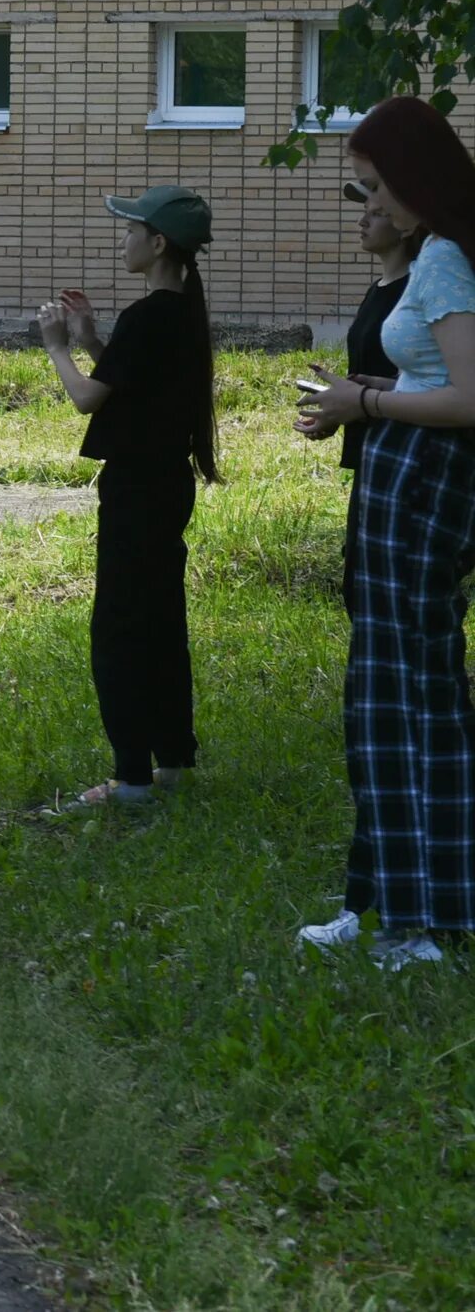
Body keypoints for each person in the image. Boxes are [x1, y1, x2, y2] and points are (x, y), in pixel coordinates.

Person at [295, 96, 475, 969]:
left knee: (403, 707)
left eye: (375, 185)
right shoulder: (442, 256)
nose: (370, 202)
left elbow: (468, 399)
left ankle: (419, 924)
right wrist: (357, 395)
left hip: (424, 490)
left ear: (414, 179)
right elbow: (431, 373)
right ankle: (373, 904)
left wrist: (361, 401)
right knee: (387, 699)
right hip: (403, 479)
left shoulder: (443, 261)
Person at [36, 185, 221, 811]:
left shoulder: (148, 317)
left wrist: (59, 348)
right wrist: (93, 339)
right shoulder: (182, 314)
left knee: (119, 631)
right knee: (161, 625)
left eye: (130, 230)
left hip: (135, 492)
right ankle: (169, 764)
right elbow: (132, 381)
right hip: (167, 486)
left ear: (158, 242)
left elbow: (91, 398)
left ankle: (130, 780)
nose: (123, 239)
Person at [297, 175, 416, 583]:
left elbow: (426, 383)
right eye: (363, 212)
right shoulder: (377, 289)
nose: (363, 221)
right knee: (359, 583)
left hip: (406, 460)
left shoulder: (419, 291)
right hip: (371, 452)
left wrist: (358, 403)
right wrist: (336, 410)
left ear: (406, 223)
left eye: (376, 212)